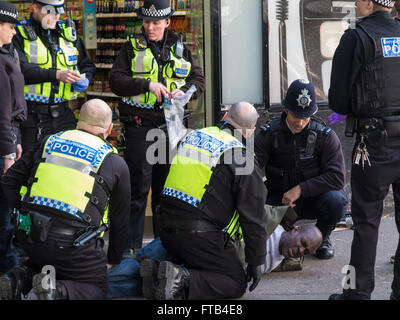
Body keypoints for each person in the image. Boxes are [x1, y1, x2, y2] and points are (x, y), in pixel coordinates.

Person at [136, 101, 268, 300]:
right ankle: (181, 278)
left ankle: (157, 272)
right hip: (199, 236)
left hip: (165, 231)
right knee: (235, 281)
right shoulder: (243, 157)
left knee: (193, 258)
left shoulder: (194, 136)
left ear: (224, 118)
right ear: (251, 132)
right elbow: (254, 217)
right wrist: (256, 261)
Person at [0, 99, 130, 300]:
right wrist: (113, 258)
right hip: (74, 246)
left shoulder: (48, 142)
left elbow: (9, 182)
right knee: (97, 287)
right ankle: (57, 292)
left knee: (41, 263)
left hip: (32, 235)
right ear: (109, 127)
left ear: (79, 120)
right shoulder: (114, 162)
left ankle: (18, 279)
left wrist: (25, 211)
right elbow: (120, 219)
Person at [109, 0, 205, 255]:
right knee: (138, 189)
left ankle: (164, 248)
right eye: (146, 22)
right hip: (140, 125)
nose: (150, 27)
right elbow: (115, 81)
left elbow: (198, 80)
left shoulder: (181, 47)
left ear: (167, 22)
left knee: (166, 190)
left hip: (171, 126)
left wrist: (185, 92)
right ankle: (130, 251)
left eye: (155, 22)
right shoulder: (130, 47)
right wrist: (146, 85)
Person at [329, 0, 400, 300]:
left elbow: (338, 102)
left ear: (370, 3)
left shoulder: (355, 37)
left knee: (366, 223)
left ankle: (355, 295)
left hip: (374, 143)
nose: (356, 3)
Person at [255, 79, 348, 260]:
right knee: (253, 201)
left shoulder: (325, 136)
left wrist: (300, 189)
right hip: (279, 200)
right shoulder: (268, 135)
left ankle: (321, 238)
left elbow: (337, 178)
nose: (300, 122)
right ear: (286, 110)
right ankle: (281, 240)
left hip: (314, 199)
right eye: (295, 116)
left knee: (336, 199)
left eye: (305, 117)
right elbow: (251, 170)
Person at [107, 222, 322, 299]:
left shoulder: (280, 260)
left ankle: (87, 288)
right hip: (192, 239)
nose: (299, 250)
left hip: (195, 263)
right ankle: (84, 285)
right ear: (295, 229)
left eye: (305, 251)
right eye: (302, 242)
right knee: (136, 269)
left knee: (143, 282)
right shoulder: (268, 219)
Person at [12, 0, 96, 153]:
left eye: (58, 12)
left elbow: (87, 65)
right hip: (32, 117)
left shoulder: (67, 32)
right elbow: (20, 70)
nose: (55, 17)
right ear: (35, 7)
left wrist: (85, 79)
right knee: (31, 167)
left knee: (65, 164)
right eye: (50, 12)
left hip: (64, 114)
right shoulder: (19, 33)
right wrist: (57, 74)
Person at [0, 0, 28, 274]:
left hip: (10, 136)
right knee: (5, 213)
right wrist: (9, 152)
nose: (14, 32)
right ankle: (8, 272)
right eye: (10, 26)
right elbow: (2, 111)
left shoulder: (6, 53)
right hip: (4, 141)